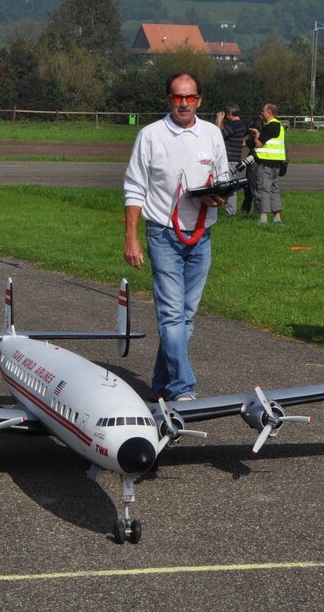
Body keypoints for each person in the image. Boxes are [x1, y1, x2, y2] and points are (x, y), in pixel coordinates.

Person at [123, 72, 230, 402]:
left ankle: (161, 389)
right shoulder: (151, 136)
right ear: (169, 99)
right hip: (163, 235)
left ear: (199, 100)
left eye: (189, 97)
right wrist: (132, 238)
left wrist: (219, 195)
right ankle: (183, 388)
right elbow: (134, 186)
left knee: (185, 318)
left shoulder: (212, 134)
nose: (183, 103)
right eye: (177, 97)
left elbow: (223, 177)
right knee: (171, 315)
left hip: (201, 237)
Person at [251, 103, 286, 224]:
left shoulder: (269, 126)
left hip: (266, 163)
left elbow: (259, 144)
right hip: (277, 163)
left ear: (269, 113)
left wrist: (256, 135)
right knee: (274, 189)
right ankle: (277, 217)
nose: (262, 114)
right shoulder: (280, 126)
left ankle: (263, 217)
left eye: (263, 112)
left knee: (264, 190)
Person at [215, 104, 252, 216]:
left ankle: (230, 212)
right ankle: (229, 210)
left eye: (226, 114)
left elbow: (217, 136)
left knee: (229, 186)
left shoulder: (234, 125)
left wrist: (218, 120)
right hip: (235, 158)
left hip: (229, 159)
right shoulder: (242, 125)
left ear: (230, 114)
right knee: (230, 184)